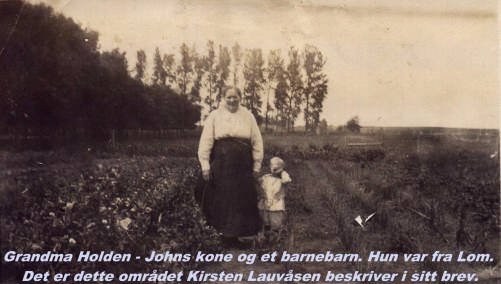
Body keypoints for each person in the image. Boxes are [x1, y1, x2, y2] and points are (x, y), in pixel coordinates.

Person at [197, 86, 263, 247]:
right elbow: (206, 142)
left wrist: (256, 166)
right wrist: (205, 166)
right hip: (222, 164)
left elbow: (257, 141)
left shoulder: (248, 116)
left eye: (235, 97)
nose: (232, 100)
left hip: (243, 165)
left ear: (241, 98)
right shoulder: (215, 115)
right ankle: (223, 236)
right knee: (222, 198)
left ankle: (237, 236)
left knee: (241, 200)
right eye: (229, 97)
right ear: (224, 98)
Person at [257, 157, 291, 242]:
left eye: (276, 168)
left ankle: (276, 240)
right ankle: (266, 239)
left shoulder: (282, 179)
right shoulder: (266, 177)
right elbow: (258, 182)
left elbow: (286, 180)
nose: (273, 170)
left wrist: (281, 172)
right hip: (265, 204)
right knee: (265, 221)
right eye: (272, 167)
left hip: (276, 204)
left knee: (276, 223)